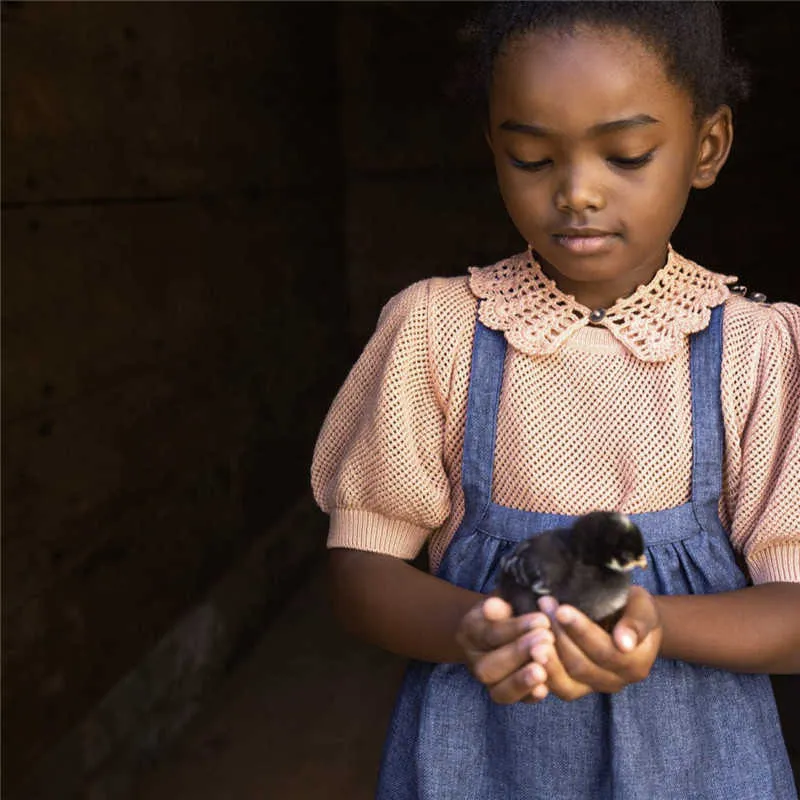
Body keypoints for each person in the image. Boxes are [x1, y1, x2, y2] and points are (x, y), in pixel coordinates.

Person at [310, 2, 800, 798]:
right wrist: (470, 632)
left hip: (701, 770)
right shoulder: (437, 330)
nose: (577, 192)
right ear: (494, 150)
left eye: (627, 155)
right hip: (478, 762)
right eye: (533, 159)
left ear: (707, 146)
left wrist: (653, 622)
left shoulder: (758, 353)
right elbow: (361, 573)